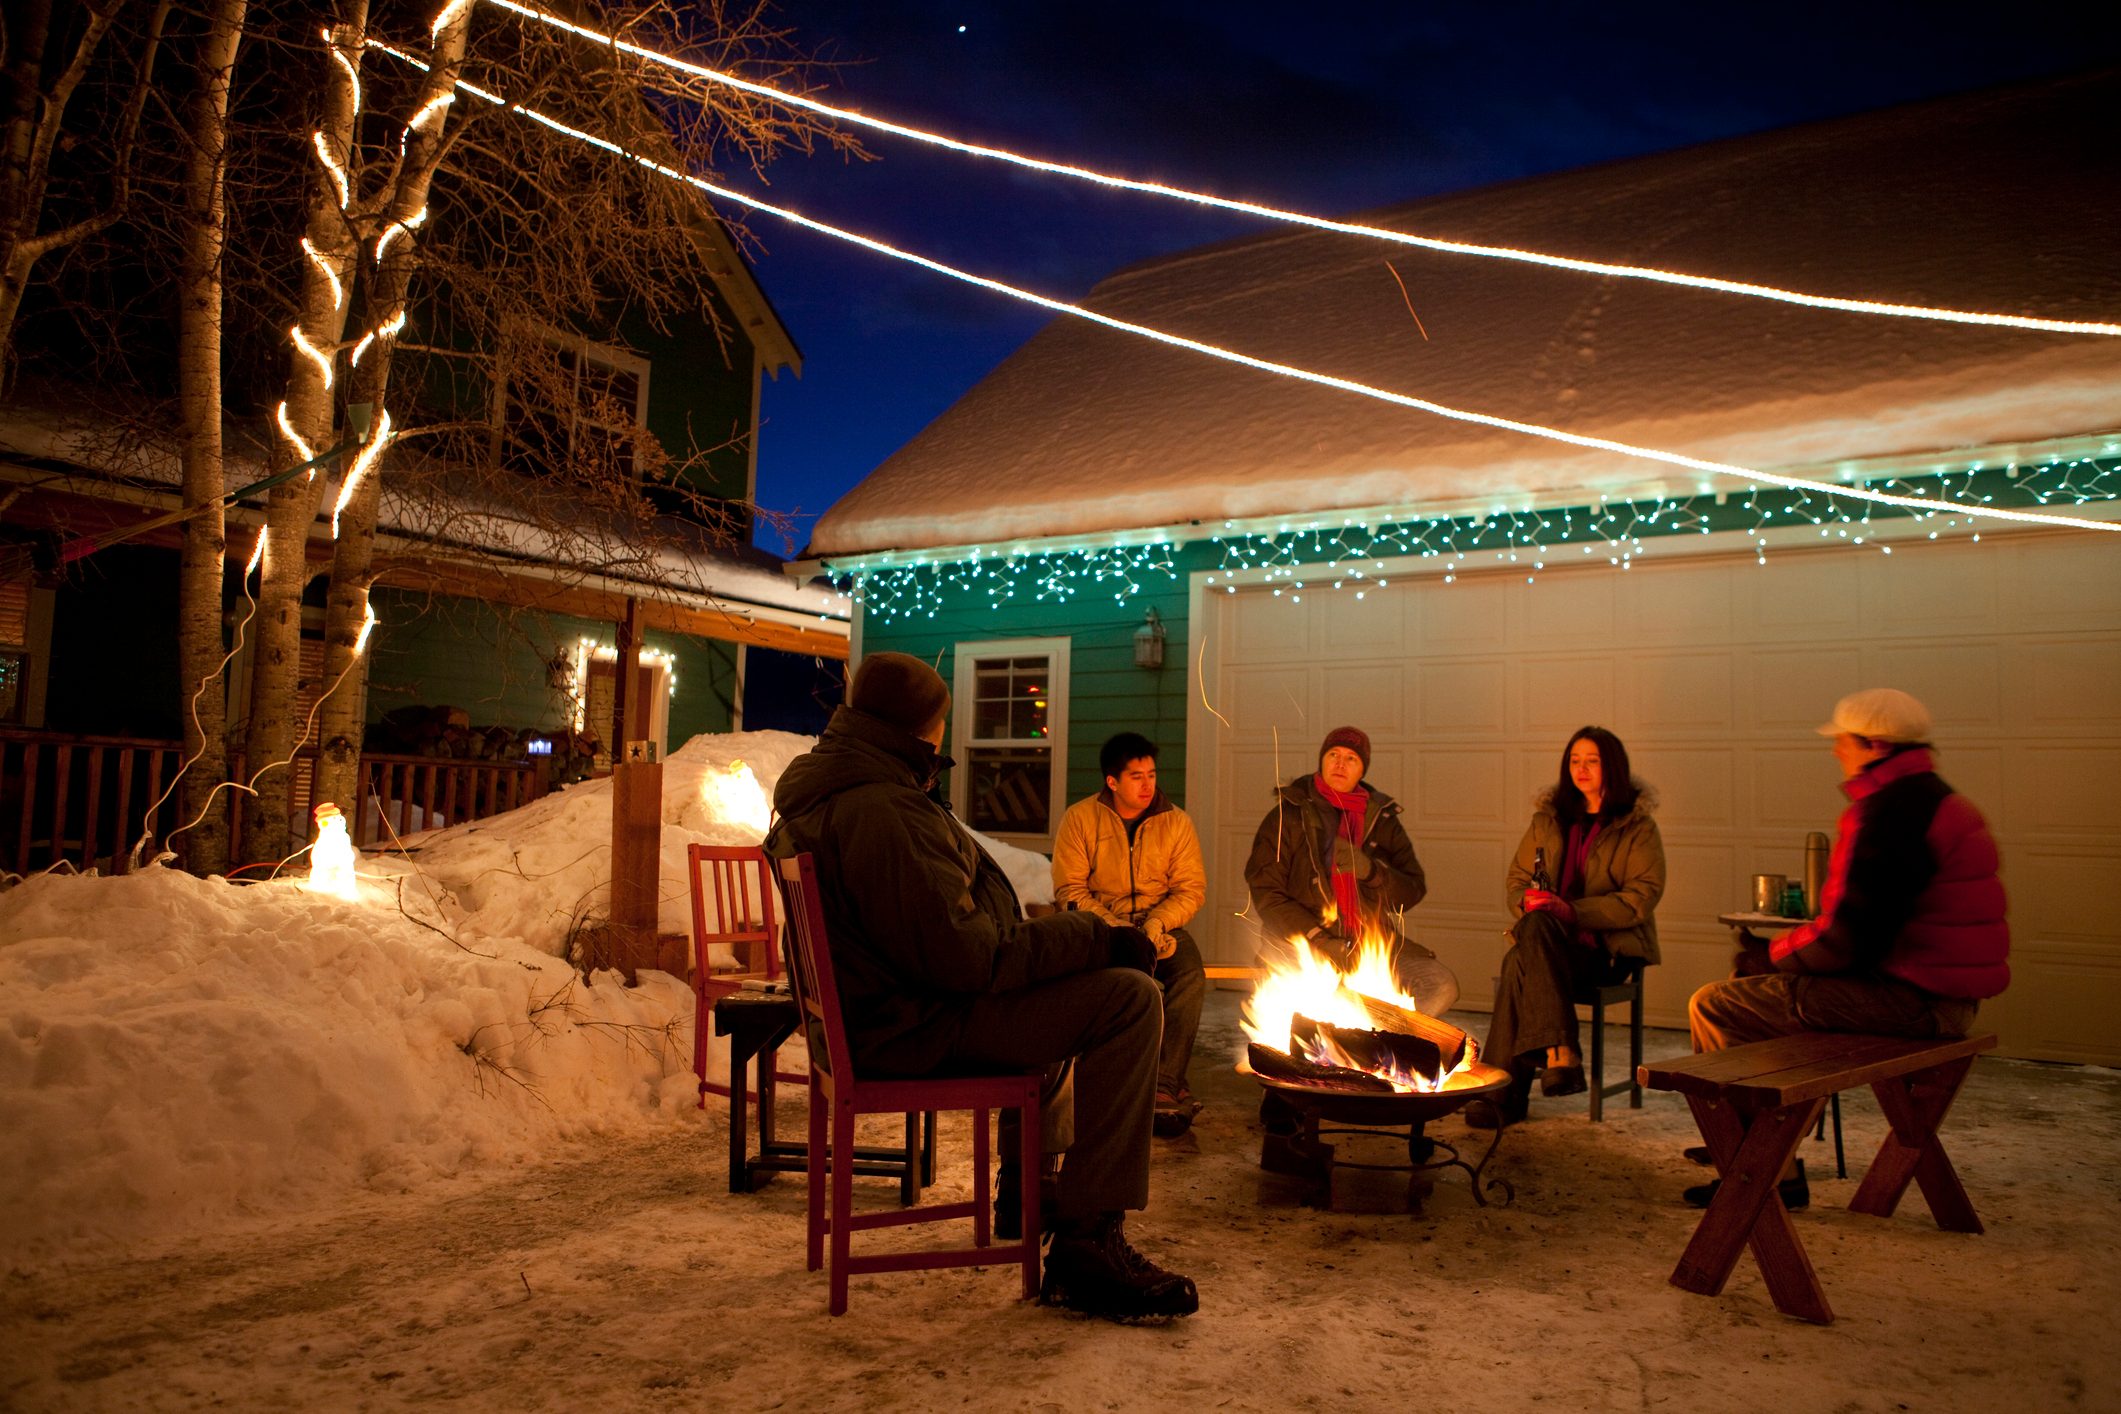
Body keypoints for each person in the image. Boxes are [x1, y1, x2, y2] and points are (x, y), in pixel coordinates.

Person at [767, 651, 1198, 1321]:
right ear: (923, 729)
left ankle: (1030, 1194)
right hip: (912, 1026)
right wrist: (1091, 936)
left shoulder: (846, 788)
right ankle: (1088, 1242)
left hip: (891, 1012)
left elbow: (943, 936)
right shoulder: (881, 810)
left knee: (1071, 979)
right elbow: (970, 960)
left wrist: (1060, 940)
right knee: (1127, 998)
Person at [1680, 687, 2009, 1209]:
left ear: (1876, 745)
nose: (1836, 750)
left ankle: (1754, 1162)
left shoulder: (1892, 813)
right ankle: (1763, 1145)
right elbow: (1867, 928)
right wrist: (1781, 960)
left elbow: (1849, 940)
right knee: (1764, 997)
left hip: (1912, 1004)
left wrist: (1767, 957)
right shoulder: (1939, 801)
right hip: (1944, 1000)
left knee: (1719, 1003)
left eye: (1844, 741)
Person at [1467, 727, 1665, 1129]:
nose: (1582, 768)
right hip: (1549, 947)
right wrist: (1528, 902)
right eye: (1575, 760)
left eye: (1592, 760)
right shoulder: (1548, 820)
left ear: (1612, 766)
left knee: (1520, 962)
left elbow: (1639, 898)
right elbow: (1516, 883)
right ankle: (1559, 1055)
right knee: (1531, 939)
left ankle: (1503, 1096)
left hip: (1604, 953)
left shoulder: (1637, 827)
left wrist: (1571, 911)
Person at [1051, 732, 1210, 1138]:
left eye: (1152, 775)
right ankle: (1107, 1083)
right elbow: (1070, 889)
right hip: (1104, 928)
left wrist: (1157, 923)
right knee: (1126, 987)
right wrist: (1117, 927)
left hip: (1162, 929)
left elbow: (1190, 888)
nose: (1147, 785)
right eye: (1136, 776)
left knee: (1189, 976)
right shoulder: (1081, 818)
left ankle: (1165, 1085)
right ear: (1112, 781)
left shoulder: (1175, 821)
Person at [1243, 726, 1459, 1016]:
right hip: (1300, 941)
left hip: (1366, 941)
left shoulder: (1381, 819)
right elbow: (1267, 893)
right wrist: (1318, 938)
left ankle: (1379, 1045)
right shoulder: (1289, 815)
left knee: (1440, 985)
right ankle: (1332, 1044)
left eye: (1351, 759)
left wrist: (1372, 873)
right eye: (1333, 754)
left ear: (1362, 771)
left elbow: (1412, 891)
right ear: (1322, 760)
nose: (1340, 763)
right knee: (1309, 997)